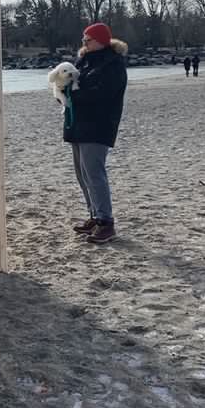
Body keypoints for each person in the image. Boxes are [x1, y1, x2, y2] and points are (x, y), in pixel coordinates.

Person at [65, 22, 128, 244]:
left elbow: (102, 94)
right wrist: (62, 90)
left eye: (88, 40)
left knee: (94, 173)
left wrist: (73, 97)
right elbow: (74, 85)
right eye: (83, 40)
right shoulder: (83, 60)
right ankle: (95, 215)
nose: (84, 43)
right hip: (79, 124)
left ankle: (106, 222)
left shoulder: (113, 63)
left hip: (98, 125)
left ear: (101, 40)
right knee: (82, 174)